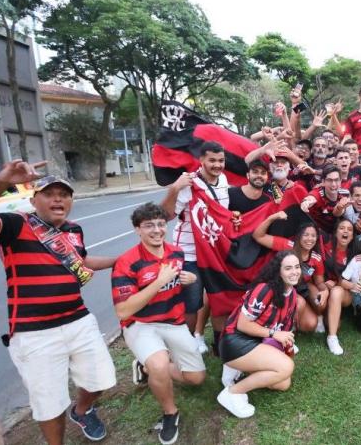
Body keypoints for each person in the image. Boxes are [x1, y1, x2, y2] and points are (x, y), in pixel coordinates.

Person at [0, 163, 117, 445]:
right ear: (32, 200)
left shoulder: (74, 230)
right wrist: (2, 180)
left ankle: (82, 409)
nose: (58, 199)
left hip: (78, 320)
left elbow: (82, 262)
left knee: (101, 381)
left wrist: (122, 260)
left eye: (64, 194)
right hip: (33, 331)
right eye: (49, 194)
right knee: (49, 403)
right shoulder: (15, 225)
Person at [111, 203, 206, 444]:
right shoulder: (126, 262)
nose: (156, 230)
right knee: (160, 364)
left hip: (173, 321)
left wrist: (190, 279)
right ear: (137, 230)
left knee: (196, 379)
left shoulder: (177, 253)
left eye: (161, 224)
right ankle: (170, 413)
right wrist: (158, 282)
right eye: (148, 225)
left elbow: (179, 284)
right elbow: (123, 311)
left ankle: (145, 368)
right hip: (140, 324)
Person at [160, 141, 232, 353]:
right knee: (191, 303)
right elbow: (166, 216)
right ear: (201, 160)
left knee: (219, 298)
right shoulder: (189, 184)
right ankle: (186, 347)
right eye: (212, 160)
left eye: (221, 160)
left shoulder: (224, 179)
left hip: (215, 253)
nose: (217, 165)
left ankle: (219, 344)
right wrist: (174, 188)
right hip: (189, 255)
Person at [217, 251, 300, 418]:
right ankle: (232, 393)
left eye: (297, 267)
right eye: (288, 268)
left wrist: (285, 346)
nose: (294, 272)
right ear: (278, 271)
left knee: (283, 382)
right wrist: (274, 333)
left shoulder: (292, 294)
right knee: (285, 367)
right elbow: (242, 324)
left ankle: (238, 368)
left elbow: (285, 331)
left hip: (258, 341)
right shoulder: (264, 289)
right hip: (234, 340)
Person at [253, 212, 328, 333]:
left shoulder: (316, 258)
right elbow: (258, 236)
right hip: (282, 288)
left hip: (302, 288)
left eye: (313, 236)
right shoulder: (287, 246)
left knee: (310, 324)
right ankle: (284, 331)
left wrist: (325, 291)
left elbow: (319, 282)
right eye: (306, 235)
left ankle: (309, 318)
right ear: (298, 236)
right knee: (299, 303)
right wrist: (273, 217)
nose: (309, 239)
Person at [300, 165, 351, 234]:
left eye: (336, 180)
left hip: (335, 233)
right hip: (315, 233)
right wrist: (306, 202)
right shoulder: (317, 193)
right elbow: (311, 198)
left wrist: (340, 208)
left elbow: (337, 213)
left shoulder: (345, 194)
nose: (333, 184)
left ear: (341, 181)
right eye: (329, 180)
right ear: (323, 182)